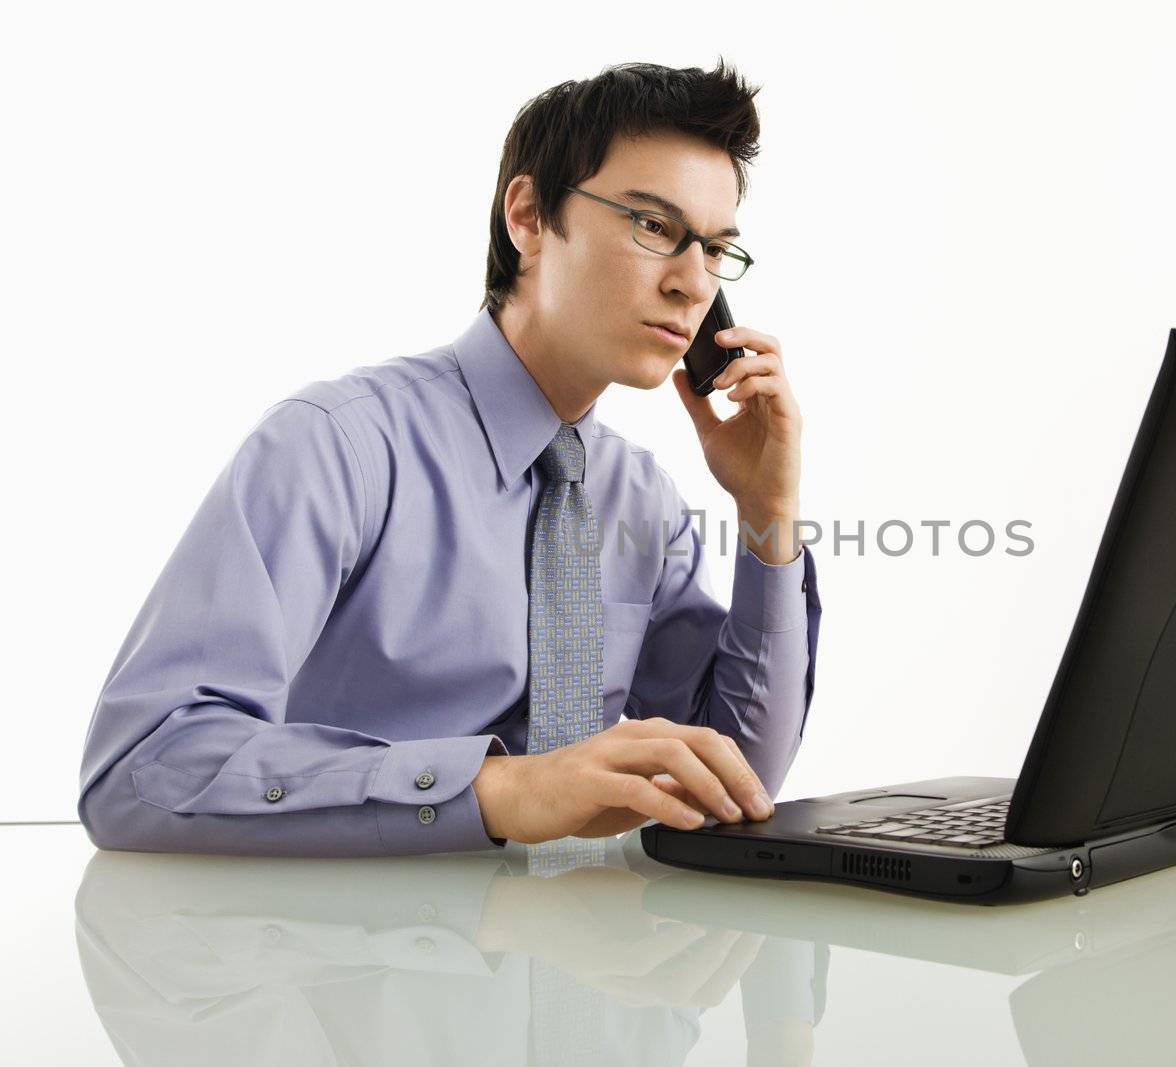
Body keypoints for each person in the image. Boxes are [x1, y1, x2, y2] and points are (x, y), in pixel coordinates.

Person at [76, 59, 821, 857]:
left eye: (714, 250)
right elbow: (142, 767)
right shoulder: (336, 447)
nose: (691, 284)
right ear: (529, 217)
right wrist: (498, 789)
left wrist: (766, 513)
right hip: (341, 957)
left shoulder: (643, 501)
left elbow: (735, 780)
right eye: (653, 226)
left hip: (589, 957)